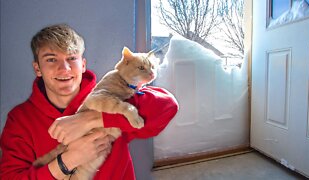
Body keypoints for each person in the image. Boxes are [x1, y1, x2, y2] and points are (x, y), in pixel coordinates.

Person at [0, 24, 178, 179]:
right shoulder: (19, 119)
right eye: (51, 59)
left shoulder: (112, 92)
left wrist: (91, 119)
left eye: (71, 58)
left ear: (83, 64)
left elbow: (167, 106)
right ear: (37, 68)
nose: (64, 69)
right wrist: (66, 161)